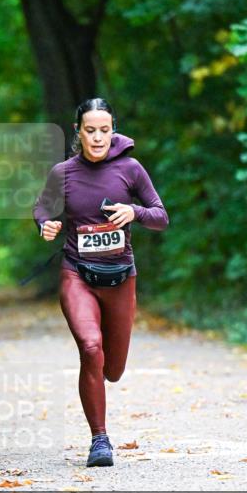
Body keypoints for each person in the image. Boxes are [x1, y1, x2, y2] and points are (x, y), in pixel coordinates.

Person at [33, 98, 169, 467]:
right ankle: (100, 440)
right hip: (77, 273)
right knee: (91, 347)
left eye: (104, 130)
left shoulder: (131, 169)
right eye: (90, 130)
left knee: (113, 369)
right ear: (78, 131)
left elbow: (160, 216)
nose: (97, 137)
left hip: (121, 277)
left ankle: (103, 399)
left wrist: (134, 212)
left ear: (113, 130)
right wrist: (45, 224)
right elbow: (42, 208)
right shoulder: (63, 173)